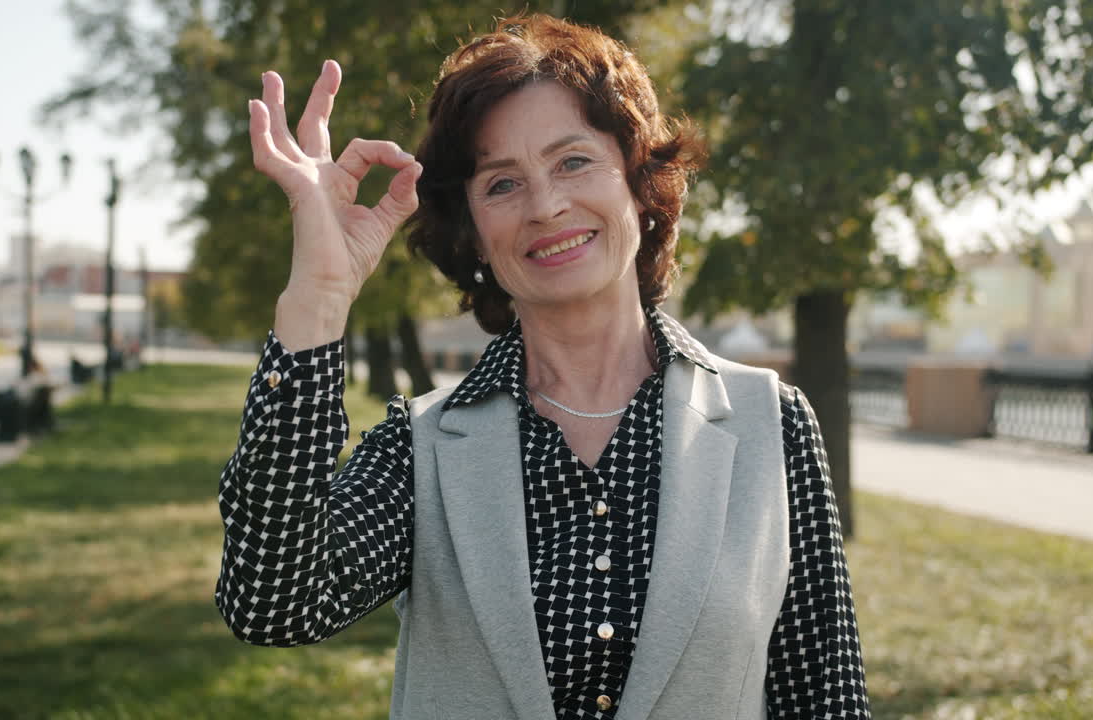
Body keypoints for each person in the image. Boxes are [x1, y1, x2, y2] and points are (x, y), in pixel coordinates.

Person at [215, 14, 871, 720]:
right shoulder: (423, 447)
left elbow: (826, 698)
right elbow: (272, 604)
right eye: (502, 184)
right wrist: (318, 297)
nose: (547, 206)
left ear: (640, 183)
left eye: (574, 161)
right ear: (473, 230)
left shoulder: (773, 427)